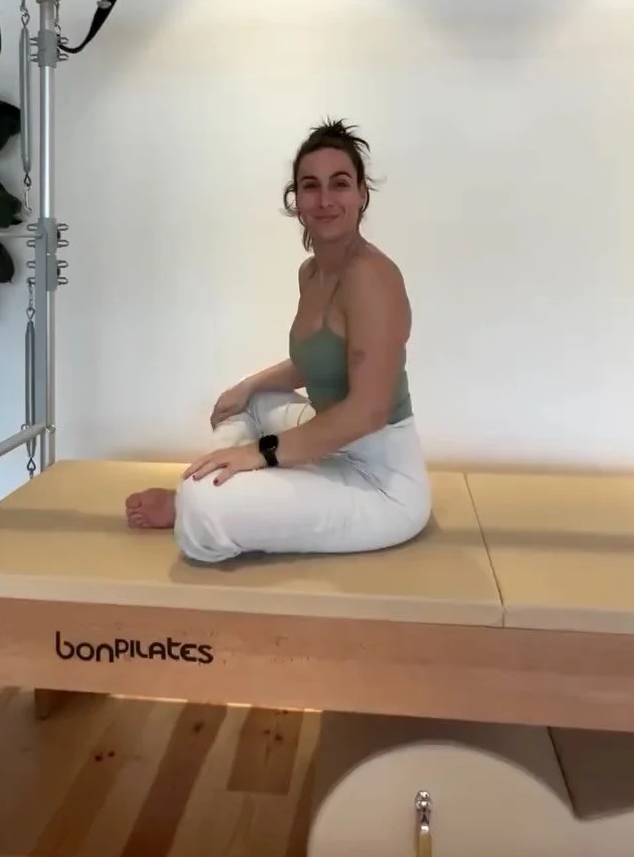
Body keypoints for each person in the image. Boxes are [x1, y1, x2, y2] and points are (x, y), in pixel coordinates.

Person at [125, 118, 432, 562]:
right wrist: (247, 386)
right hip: (330, 442)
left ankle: (196, 499)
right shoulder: (312, 273)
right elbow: (316, 363)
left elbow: (369, 410)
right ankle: (222, 480)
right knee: (246, 403)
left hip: (380, 481)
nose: (325, 199)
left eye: (339, 183)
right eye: (311, 186)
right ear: (296, 201)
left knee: (202, 504)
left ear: (362, 194)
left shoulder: (372, 277)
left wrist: (261, 453)